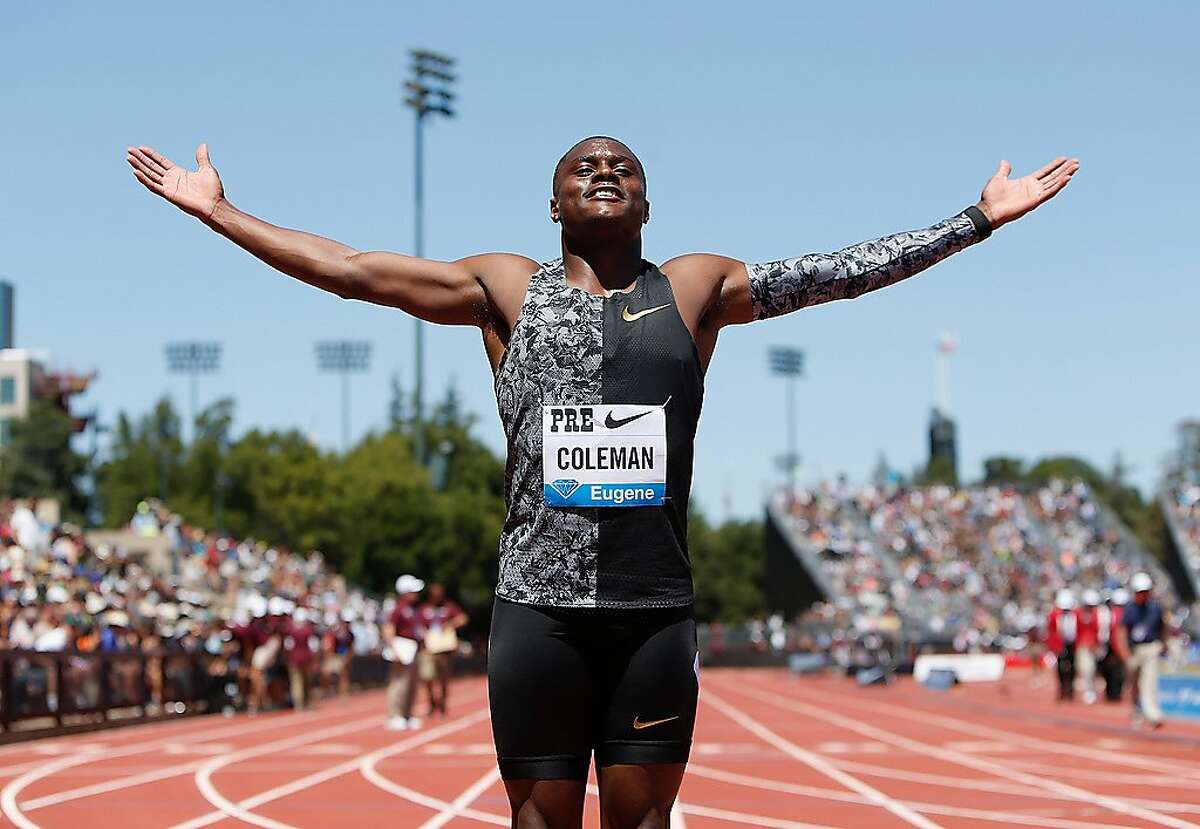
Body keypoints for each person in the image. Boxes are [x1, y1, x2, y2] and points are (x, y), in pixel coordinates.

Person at [127, 135, 1077, 829]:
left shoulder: (695, 287)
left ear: (649, 205)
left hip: (651, 608)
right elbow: (351, 271)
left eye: (624, 165)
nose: (605, 170)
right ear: (553, 206)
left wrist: (975, 221)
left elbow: (838, 275)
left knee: (642, 825)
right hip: (536, 611)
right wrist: (219, 211)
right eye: (583, 165)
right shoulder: (504, 287)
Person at [418, 583, 469, 718]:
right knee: (427, 676)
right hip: (429, 648)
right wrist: (424, 633)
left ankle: (443, 704)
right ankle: (431, 701)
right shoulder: (424, 608)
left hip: (444, 649)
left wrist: (450, 625)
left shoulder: (449, 606)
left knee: (443, 679)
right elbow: (417, 624)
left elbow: (463, 619)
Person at [1121, 572, 1166, 728]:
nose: (1143, 595)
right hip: (1134, 650)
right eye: (1140, 592)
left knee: (1150, 681)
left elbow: (1163, 627)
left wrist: (1163, 644)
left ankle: (1153, 714)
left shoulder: (1155, 608)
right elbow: (1122, 630)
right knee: (1134, 685)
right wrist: (1125, 651)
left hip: (1151, 648)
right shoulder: (1129, 609)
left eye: (1146, 591)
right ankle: (1137, 713)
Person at [384, 575, 425, 731]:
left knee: (412, 685)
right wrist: (394, 650)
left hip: (414, 649)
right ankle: (395, 715)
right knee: (399, 684)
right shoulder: (398, 608)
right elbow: (389, 629)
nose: (416, 594)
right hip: (402, 649)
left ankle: (407, 715)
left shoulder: (415, 609)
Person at [1046, 588, 1078, 702]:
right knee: (1060, 668)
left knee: (1073, 667)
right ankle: (1062, 689)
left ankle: (1070, 690)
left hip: (1072, 645)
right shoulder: (1054, 616)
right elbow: (1051, 632)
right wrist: (1053, 647)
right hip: (1059, 645)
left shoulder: (1076, 615)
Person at [1098, 588, 1128, 702]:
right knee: (1113, 671)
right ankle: (1113, 693)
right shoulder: (1109, 614)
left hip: (1115, 647)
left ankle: (1114, 693)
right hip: (1112, 646)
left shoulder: (1118, 614)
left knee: (1116, 671)